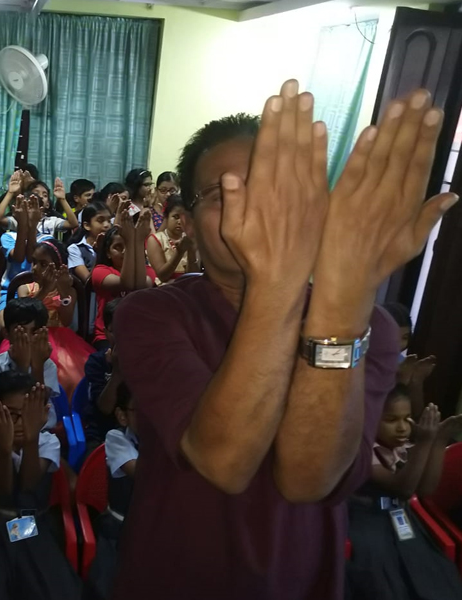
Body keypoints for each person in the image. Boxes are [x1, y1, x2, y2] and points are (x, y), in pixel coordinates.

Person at [110, 81, 458, 599]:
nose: (251, 208)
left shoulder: (369, 326)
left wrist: (344, 296)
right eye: (222, 193)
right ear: (189, 223)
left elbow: (309, 479)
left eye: (271, 188)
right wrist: (281, 280)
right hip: (173, 575)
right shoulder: (154, 314)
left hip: (298, 582)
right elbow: (223, 460)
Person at [0, 371, 81, 600]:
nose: (19, 423)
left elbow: (28, 484)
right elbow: (4, 489)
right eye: (10, 415)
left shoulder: (47, 441)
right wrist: (4, 447)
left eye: (27, 415)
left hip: (36, 525)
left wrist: (31, 439)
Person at [346, 385, 462, 599]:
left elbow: (425, 489)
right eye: (391, 420)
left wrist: (439, 441)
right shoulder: (360, 452)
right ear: (369, 419)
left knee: (431, 571)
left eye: (407, 419)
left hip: (399, 518)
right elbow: (404, 488)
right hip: (366, 521)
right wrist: (424, 442)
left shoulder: (401, 448)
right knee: (385, 582)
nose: (402, 428)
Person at [12, 238, 95, 399]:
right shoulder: (25, 289)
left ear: (57, 268)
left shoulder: (68, 291)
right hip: (29, 338)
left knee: (71, 377)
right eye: (34, 262)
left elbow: (66, 321)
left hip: (60, 340)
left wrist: (63, 293)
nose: (35, 268)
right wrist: (44, 291)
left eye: (43, 264)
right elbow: (24, 315)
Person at [85, 382, 138, 600]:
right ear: (122, 416)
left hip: (155, 527)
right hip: (119, 530)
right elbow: (142, 474)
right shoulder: (117, 439)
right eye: (142, 410)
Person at [0, 298, 59, 429]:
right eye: (21, 331)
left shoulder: (47, 365)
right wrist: (22, 367)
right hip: (7, 430)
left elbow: (40, 403)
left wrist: (37, 366)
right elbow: (0, 407)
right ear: (6, 333)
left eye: (34, 332)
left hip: (42, 430)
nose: (28, 337)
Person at [91, 207, 155, 351]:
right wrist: (131, 241)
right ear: (108, 253)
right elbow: (126, 283)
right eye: (118, 247)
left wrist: (138, 241)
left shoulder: (148, 271)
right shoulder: (100, 271)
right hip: (107, 336)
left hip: (139, 333)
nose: (125, 251)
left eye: (127, 245)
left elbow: (140, 286)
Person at [82, 298, 122, 454]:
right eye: (115, 331)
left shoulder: (146, 362)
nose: (122, 336)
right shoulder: (96, 362)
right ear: (106, 333)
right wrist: (117, 372)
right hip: (101, 432)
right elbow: (105, 408)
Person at [383, 302, 436, 417]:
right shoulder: (361, 360)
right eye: (392, 336)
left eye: (404, 337)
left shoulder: (402, 362)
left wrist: (417, 380)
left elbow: (415, 415)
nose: (399, 344)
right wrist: (400, 380)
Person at [0, 174, 78, 236]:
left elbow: (73, 224)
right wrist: (10, 192)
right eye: (36, 193)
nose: (40, 196)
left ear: (47, 204)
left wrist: (62, 199)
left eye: (45, 195)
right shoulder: (19, 220)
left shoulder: (51, 221)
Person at [145, 194, 199, 284]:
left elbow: (193, 276)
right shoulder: (155, 239)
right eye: (176, 217)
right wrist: (179, 252)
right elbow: (162, 276)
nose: (180, 222)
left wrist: (191, 251)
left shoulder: (189, 239)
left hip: (187, 286)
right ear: (166, 217)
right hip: (163, 288)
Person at [67, 202, 112, 283]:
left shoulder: (113, 247)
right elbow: (88, 281)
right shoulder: (75, 249)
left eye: (109, 221)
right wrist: (99, 254)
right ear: (87, 225)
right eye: (100, 220)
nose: (106, 225)